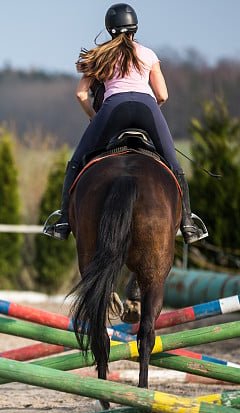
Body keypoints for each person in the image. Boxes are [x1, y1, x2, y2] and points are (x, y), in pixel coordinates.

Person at [42, 3, 207, 244]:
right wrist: (149, 117)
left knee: (77, 160)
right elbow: (162, 95)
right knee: (172, 162)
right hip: (147, 108)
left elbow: (81, 94)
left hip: (113, 109)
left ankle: (64, 221)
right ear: (135, 28)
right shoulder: (149, 54)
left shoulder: (100, 55)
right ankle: (189, 223)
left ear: (109, 29)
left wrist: (94, 117)